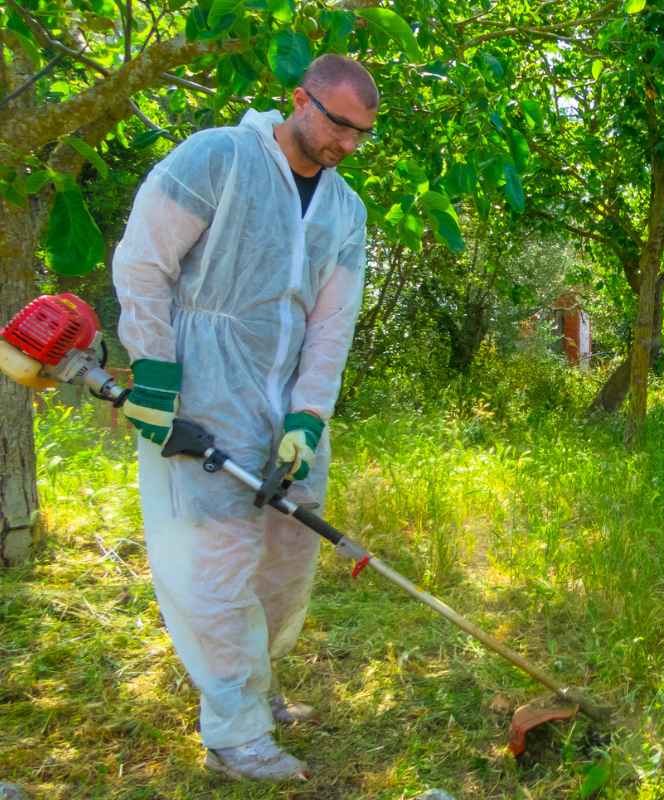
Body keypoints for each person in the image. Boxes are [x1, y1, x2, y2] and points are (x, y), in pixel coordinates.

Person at [112, 54, 379, 782]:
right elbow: (143, 264)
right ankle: (235, 732)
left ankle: (258, 686)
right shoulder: (218, 158)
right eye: (339, 126)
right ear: (300, 100)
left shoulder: (345, 209)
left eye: (362, 135)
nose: (347, 146)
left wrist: (309, 415)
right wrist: (158, 374)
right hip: (204, 391)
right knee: (217, 565)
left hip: (282, 402)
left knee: (286, 558)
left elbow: (332, 324)